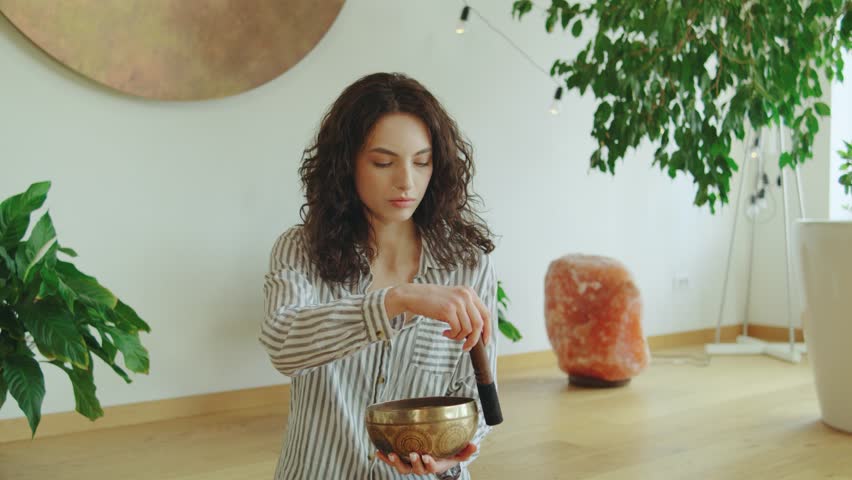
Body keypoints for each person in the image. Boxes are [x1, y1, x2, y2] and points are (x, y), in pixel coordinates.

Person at [260, 72, 498, 480]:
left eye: (421, 162)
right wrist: (396, 300)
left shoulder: (467, 265)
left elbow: (475, 397)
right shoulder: (299, 250)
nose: (406, 181)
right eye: (383, 162)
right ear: (345, 164)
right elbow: (285, 345)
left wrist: (452, 458)